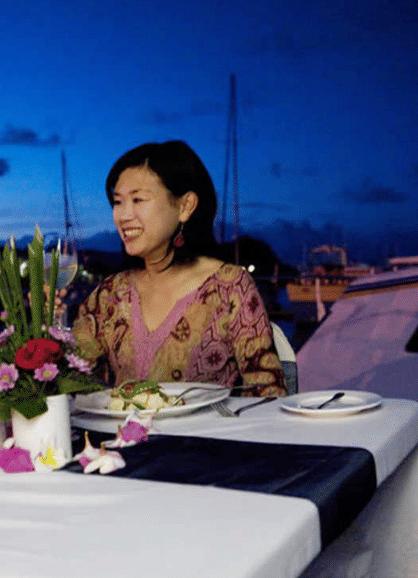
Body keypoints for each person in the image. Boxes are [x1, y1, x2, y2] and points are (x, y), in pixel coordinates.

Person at [72, 140, 286, 396]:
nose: (123, 215)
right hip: (122, 436)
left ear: (185, 206)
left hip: (208, 436)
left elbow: (267, 394)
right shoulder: (111, 294)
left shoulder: (230, 286)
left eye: (138, 199)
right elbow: (67, 377)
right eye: (118, 202)